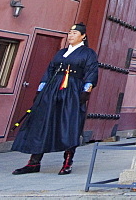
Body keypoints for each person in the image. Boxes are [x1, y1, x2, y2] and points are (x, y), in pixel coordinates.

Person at [11, 23, 98, 176]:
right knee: (42, 122)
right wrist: (40, 90)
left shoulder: (88, 53)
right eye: (69, 33)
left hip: (72, 91)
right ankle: (34, 162)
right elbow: (49, 71)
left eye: (75, 33)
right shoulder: (60, 53)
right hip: (52, 90)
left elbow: (91, 73)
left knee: (69, 124)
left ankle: (67, 162)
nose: (70, 36)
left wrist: (85, 92)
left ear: (83, 36)